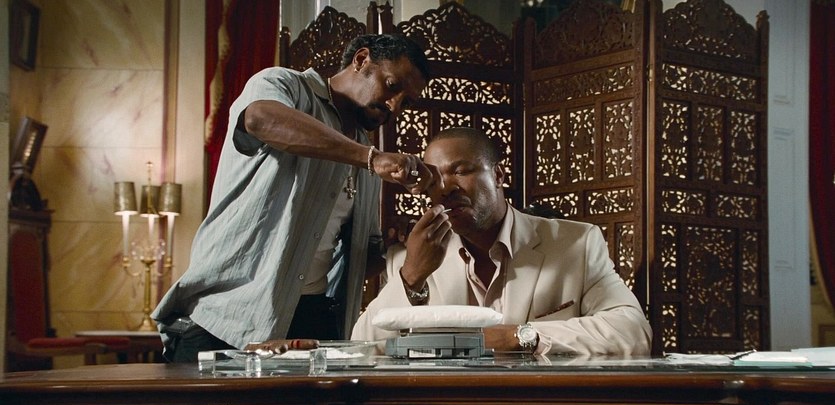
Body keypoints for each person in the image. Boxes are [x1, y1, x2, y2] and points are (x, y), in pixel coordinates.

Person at [153, 34, 433, 362]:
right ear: (361, 60)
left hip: (309, 323)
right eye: (391, 85)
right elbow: (260, 118)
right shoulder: (284, 85)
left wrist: (395, 247)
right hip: (227, 316)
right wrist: (370, 158)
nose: (394, 106)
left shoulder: (365, 154)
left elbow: (354, 258)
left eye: (406, 102)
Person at [351, 127, 652, 356]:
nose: (445, 188)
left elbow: (632, 331)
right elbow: (364, 347)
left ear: (498, 175)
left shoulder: (576, 243)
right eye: (433, 178)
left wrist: (518, 336)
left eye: (461, 171)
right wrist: (411, 275)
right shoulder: (410, 256)